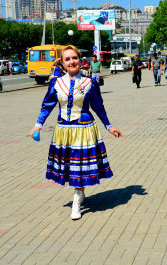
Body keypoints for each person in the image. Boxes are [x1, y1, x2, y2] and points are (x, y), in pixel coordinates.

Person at [29, 45, 121, 220]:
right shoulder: (56, 83)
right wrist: (37, 125)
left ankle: (76, 201)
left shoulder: (89, 83)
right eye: (67, 59)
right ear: (63, 63)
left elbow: (98, 107)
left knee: (80, 168)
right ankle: (80, 192)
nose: (72, 61)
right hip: (63, 132)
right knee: (72, 168)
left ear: (80, 60)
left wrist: (109, 126)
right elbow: (47, 105)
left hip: (84, 131)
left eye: (74, 58)